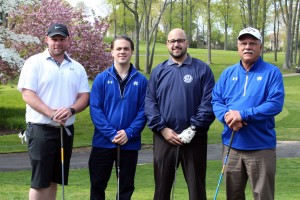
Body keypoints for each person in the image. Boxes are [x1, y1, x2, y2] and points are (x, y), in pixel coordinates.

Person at [17, 23, 90, 200]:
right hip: (40, 129)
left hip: (65, 131)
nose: (58, 43)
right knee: (40, 181)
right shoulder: (34, 62)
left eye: (62, 39)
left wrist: (71, 110)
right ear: (47, 40)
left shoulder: (77, 67)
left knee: (55, 180)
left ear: (68, 41)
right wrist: (51, 113)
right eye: (54, 39)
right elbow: (27, 94)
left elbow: (85, 96)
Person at [211, 27, 285, 200]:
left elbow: (274, 104)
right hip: (231, 146)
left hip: (260, 147)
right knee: (233, 196)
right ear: (238, 47)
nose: (247, 47)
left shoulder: (272, 72)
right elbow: (216, 100)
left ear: (260, 47)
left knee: (263, 196)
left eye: (252, 43)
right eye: (243, 43)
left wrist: (242, 115)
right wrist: (228, 117)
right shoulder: (228, 73)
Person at [145, 28, 215, 200]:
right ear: (167, 44)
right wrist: (162, 129)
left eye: (180, 40)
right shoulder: (158, 71)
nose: (176, 44)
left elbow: (209, 103)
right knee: (161, 190)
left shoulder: (202, 70)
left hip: (194, 139)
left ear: (187, 43)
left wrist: (192, 128)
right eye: (172, 41)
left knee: (197, 190)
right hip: (164, 139)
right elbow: (150, 103)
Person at [88, 35, 148, 200]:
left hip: (129, 144)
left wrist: (129, 133)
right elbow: (95, 109)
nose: (122, 52)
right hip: (103, 143)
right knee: (97, 186)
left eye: (126, 48)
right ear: (112, 52)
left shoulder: (142, 81)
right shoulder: (101, 79)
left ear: (132, 52)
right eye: (119, 48)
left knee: (125, 189)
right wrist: (111, 133)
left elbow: (144, 112)